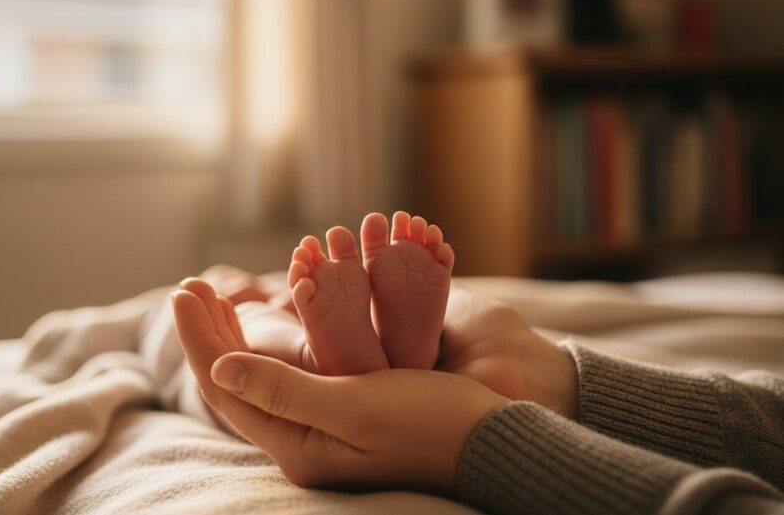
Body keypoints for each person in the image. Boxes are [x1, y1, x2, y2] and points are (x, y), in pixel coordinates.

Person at [172, 212, 784, 514]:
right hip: (285, 308)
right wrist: (543, 376)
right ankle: (385, 346)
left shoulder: (219, 301)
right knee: (249, 320)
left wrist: (478, 441)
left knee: (240, 334)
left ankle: (314, 353)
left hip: (252, 316)